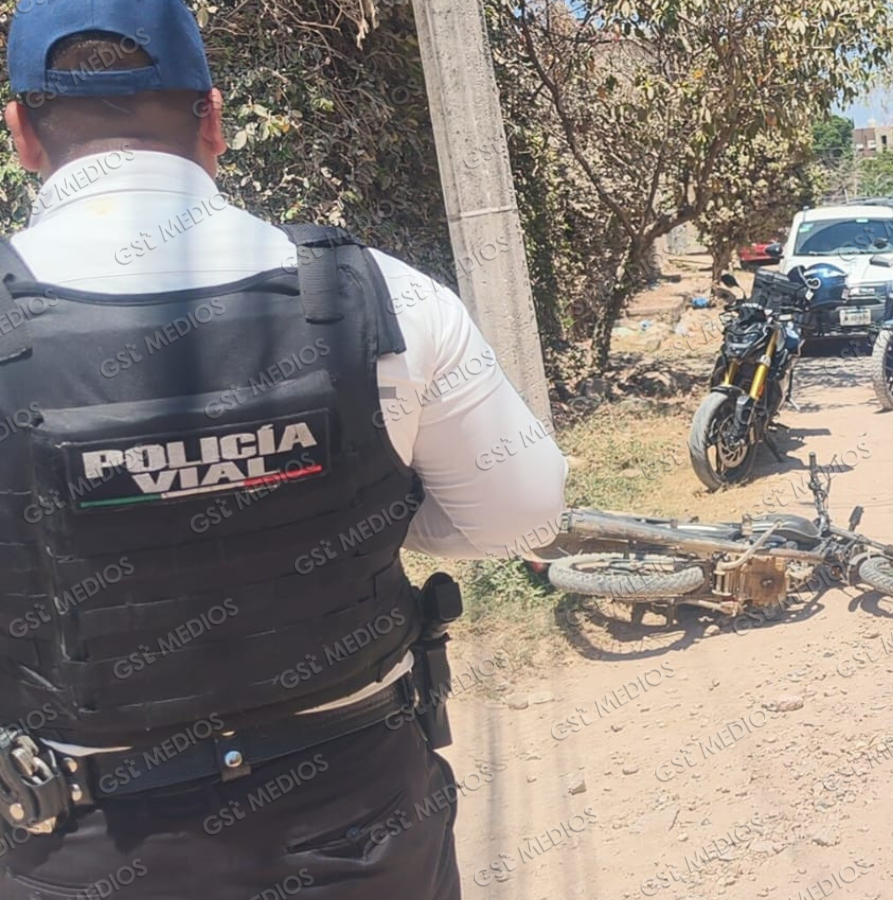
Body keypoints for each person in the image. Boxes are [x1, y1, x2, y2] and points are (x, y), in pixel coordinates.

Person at [0, 2, 568, 898]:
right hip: (358, 826)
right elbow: (522, 511)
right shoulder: (385, 295)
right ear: (215, 122)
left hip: (80, 848)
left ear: (22, 133)